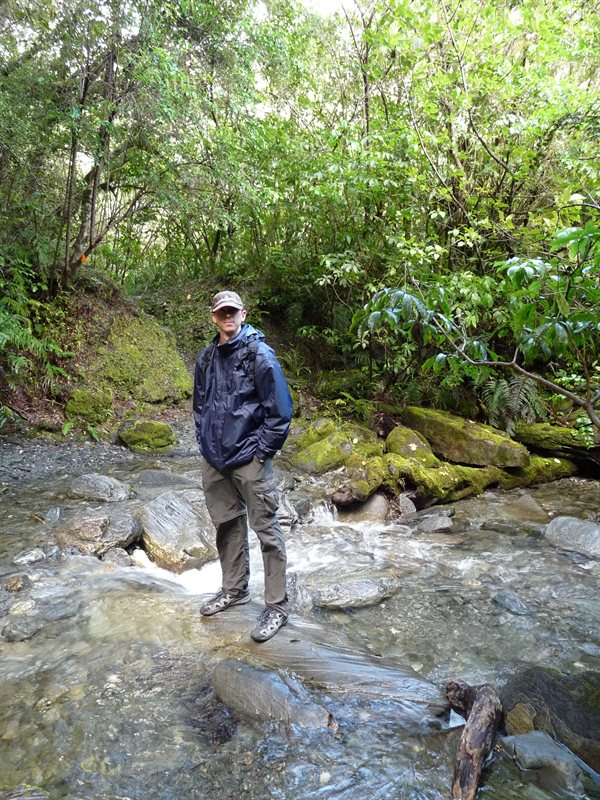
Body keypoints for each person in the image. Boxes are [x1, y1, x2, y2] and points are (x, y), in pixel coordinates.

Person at [193, 290, 293, 642]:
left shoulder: (260, 355)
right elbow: (200, 406)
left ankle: (277, 606)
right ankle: (234, 590)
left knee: (267, 532)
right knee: (226, 525)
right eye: (222, 312)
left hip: (250, 457)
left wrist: (261, 452)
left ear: (243, 314)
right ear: (214, 317)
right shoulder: (206, 358)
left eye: (233, 312)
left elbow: (280, 412)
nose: (228, 317)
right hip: (215, 459)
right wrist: (205, 442)